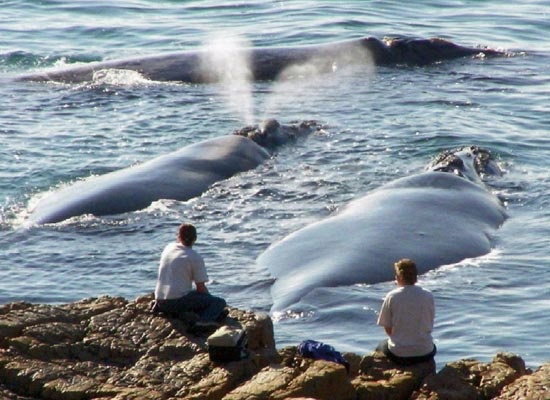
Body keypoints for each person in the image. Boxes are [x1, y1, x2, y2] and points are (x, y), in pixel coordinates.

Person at [153, 223, 227, 327]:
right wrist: (210, 300)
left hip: (160, 300)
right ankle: (202, 322)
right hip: (175, 302)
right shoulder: (194, 257)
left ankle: (167, 310)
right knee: (219, 302)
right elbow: (201, 288)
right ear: (195, 238)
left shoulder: (169, 248)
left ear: (178, 236)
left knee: (192, 293)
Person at [376, 258, 436, 366]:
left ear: (398, 277)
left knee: (381, 346)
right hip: (425, 351)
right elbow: (429, 323)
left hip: (399, 353)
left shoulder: (392, 296)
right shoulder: (428, 295)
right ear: (416, 277)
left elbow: (387, 327)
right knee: (430, 346)